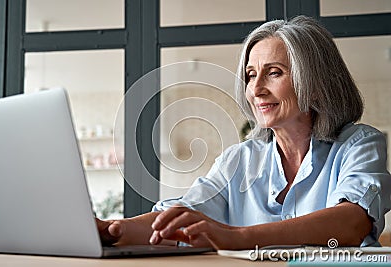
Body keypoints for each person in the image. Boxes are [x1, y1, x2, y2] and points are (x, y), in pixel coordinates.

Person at [97, 15, 391, 250]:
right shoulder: (238, 159)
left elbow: (351, 223)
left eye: (274, 72)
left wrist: (236, 236)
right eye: (251, 75)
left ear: (314, 83)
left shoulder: (359, 144)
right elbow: (184, 212)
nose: (256, 89)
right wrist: (113, 229)